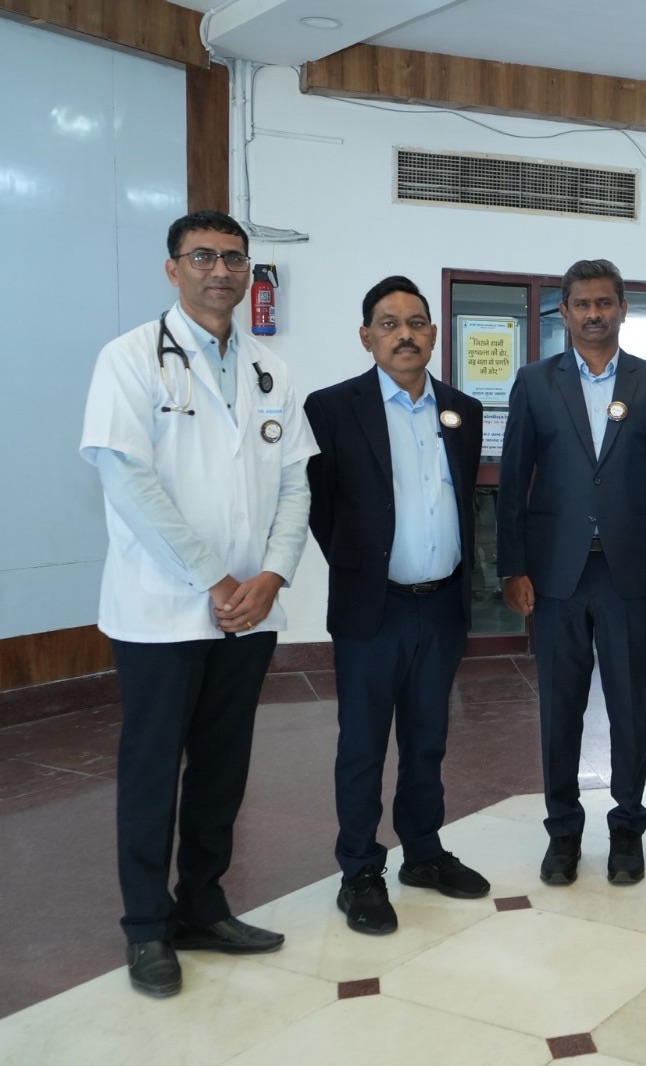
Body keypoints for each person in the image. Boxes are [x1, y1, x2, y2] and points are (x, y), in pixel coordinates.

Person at [80, 210, 316, 997]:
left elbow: (296, 485)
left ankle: (203, 906)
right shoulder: (128, 360)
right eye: (204, 256)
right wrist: (216, 580)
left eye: (234, 258)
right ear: (173, 268)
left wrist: (272, 577)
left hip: (250, 612)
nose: (221, 270)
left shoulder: (270, 369)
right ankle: (147, 927)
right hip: (161, 612)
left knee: (222, 768)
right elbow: (129, 484)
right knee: (153, 771)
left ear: (250, 272)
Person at [497, 258, 646, 887]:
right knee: (560, 707)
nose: (593, 314)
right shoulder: (535, 381)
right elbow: (511, 481)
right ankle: (563, 831)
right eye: (581, 304)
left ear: (623, 308)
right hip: (555, 574)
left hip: (629, 573)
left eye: (604, 302)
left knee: (631, 706)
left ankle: (628, 827)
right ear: (564, 311)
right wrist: (512, 566)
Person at [304, 276, 489, 936]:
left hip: (440, 607)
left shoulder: (462, 409)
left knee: (427, 739)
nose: (404, 334)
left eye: (416, 322)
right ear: (366, 337)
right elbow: (320, 507)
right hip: (372, 609)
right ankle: (359, 871)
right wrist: (361, 569)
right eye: (389, 323)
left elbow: (460, 497)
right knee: (361, 744)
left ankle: (424, 852)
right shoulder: (331, 408)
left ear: (433, 334)